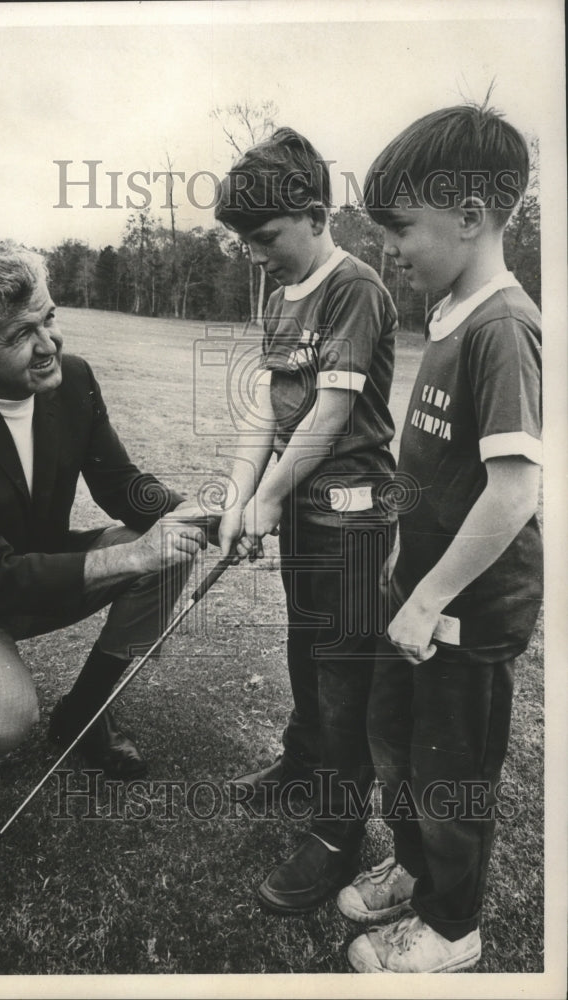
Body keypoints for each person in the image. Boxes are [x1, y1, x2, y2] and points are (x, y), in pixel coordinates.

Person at [0, 238, 209, 779]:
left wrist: (209, 516)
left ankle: (85, 712)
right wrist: (130, 558)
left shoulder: (73, 379)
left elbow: (124, 488)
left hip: (37, 573)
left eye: (48, 317)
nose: (49, 342)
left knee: (172, 545)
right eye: (22, 334)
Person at [338, 103, 542, 973]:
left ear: (469, 217)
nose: (388, 246)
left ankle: (452, 928)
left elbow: (513, 490)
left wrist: (427, 598)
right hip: (416, 599)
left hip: (461, 613)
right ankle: (416, 873)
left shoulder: (503, 327)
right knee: (401, 748)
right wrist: (399, 561)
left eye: (400, 227)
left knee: (452, 775)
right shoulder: (451, 312)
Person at [213, 128, 398, 913]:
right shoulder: (279, 292)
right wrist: (239, 498)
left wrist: (273, 495)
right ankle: (302, 766)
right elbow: (268, 409)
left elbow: (329, 415)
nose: (254, 254)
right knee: (302, 644)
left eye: (264, 238)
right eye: (245, 242)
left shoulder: (353, 286)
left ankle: (336, 830)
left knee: (343, 670)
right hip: (303, 511)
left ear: (316, 214)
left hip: (351, 516)